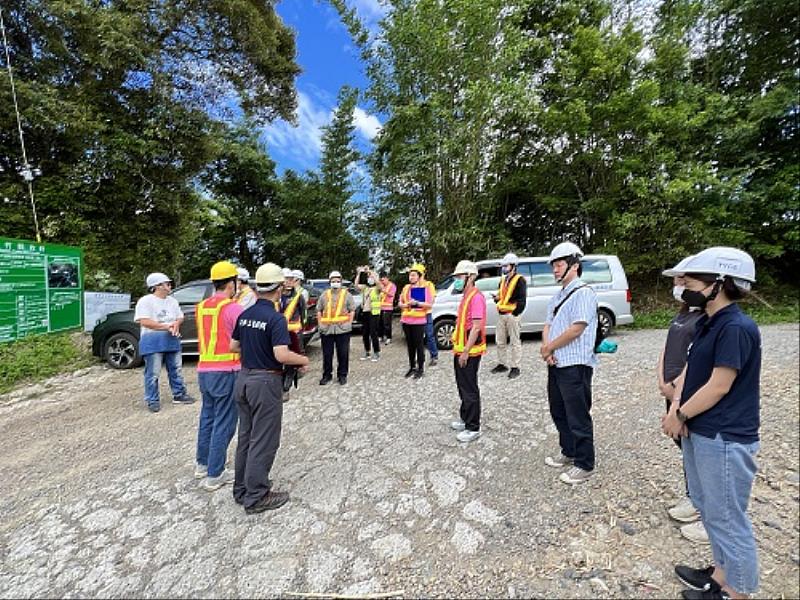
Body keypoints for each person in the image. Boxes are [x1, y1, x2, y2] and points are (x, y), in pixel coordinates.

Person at [660, 247, 761, 600]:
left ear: (720, 283)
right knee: (708, 507)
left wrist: (683, 414)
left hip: (725, 436)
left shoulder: (736, 327)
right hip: (701, 430)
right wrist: (675, 407)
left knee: (728, 518)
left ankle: (738, 591)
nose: (684, 285)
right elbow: (690, 373)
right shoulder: (706, 322)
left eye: (691, 280)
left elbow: (720, 384)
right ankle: (720, 574)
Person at [229, 263, 309, 514]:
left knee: (246, 437)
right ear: (279, 288)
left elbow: (233, 346)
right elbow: (282, 354)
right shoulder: (275, 319)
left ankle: (241, 489)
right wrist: (303, 360)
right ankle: (257, 496)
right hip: (264, 384)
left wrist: (255, 350)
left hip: (243, 380)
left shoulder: (245, 314)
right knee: (264, 439)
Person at [657, 255, 709, 544]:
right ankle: (694, 498)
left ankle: (707, 513)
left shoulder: (706, 318)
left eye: (682, 279)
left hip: (688, 395)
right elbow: (667, 349)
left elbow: (697, 360)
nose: (677, 285)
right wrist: (662, 382)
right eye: (677, 280)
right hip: (672, 392)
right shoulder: (683, 312)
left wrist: (676, 388)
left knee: (701, 451)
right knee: (686, 448)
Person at [540, 242, 598, 485]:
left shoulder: (583, 292)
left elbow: (577, 328)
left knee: (577, 414)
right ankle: (569, 450)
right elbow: (548, 324)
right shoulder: (558, 295)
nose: (555, 270)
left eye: (559, 265)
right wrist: (547, 349)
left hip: (575, 363)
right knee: (559, 410)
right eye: (553, 265)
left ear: (574, 266)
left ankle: (585, 463)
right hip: (556, 362)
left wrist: (550, 346)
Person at [194, 261, 244, 491]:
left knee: (208, 418)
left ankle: (202, 465)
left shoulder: (202, 306)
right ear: (231, 283)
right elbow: (243, 339)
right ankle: (215, 474)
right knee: (224, 422)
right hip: (226, 371)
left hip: (204, 370)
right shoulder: (233, 308)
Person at [134, 272, 195, 412]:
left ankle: (179, 394)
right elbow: (144, 321)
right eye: (167, 283)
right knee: (153, 372)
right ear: (157, 286)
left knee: (176, 369)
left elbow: (180, 316)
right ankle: (152, 400)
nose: (169, 286)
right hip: (152, 340)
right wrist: (166, 326)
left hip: (172, 339)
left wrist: (176, 324)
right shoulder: (145, 301)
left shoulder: (172, 301)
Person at [448, 261, 487, 443]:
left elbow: (477, 326)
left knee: (469, 388)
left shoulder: (476, 297)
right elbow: (463, 324)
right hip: (461, 350)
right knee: (462, 386)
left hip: (470, 352)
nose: (456, 280)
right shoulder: (466, 295)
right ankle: (465, 418)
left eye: (459, 277)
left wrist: (465, 351)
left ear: (470, 277)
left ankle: (473, 426)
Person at [491, 252, 527, 379]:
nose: (504, 268)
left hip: (512, 315)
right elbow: (503, 296)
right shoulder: (503, 280)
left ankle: (515, 367)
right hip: (502, 314)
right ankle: (502, 364)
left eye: (506, 266)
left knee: (515, 341)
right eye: (503, 266)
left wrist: (515, 313)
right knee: (500, 341)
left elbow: (522, 300)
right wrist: (497, 298)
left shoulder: (520, 280)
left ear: (513, 266)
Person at [316, 270, 355, 385]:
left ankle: (342, 375)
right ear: (330, 282)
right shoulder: (324, 295)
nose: (335, 283)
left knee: (343, 353)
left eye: (338, 281)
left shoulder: (347, 295)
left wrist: (349, 323)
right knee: (327, 354)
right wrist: (320, 324)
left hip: (342, 329)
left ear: (341, 282)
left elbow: (352, 310)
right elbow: (319, 310)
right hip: (327, 330)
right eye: (333, 281)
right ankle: (327, 375)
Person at [398, 263, 433, 378]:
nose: (411, 277)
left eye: (413, 275)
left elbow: (429, 304)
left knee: (419, 345)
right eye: (410, 275)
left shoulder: (425, 288)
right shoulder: (406, 288)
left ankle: (421, 368)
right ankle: (412, 366)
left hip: (418, 321)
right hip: (406, 321)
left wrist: (417, 303)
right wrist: (405, 304)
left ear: (419, 276)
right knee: (410, 345)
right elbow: (399, 303)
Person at [356, 266, 382, 362]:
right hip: (365, 312)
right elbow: (356, 285)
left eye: (371, 277)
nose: (369, 278)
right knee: (365, 333)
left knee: (373, 333)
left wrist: (371, 272)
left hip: (374, 313)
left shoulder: (377, 288)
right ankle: (367, 351)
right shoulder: (365, 288)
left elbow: (379, 283)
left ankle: (376, 352)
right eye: (368, 277)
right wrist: (359, 273)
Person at [421, 270, 439, 366]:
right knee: (418, 338)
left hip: (426, 313)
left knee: (429, 335)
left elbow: (432, 299)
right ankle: (420, 357)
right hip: (416, 315)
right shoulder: (412, 286)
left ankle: (434, 356)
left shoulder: (429, 284)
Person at [378, 272, 396, 345]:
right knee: (380, 323)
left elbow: (392, 294)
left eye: (383, 280)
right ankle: (380, 336)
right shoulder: (382, 285)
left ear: (387, 278)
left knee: (387, 324)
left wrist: (383, 290)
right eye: (381, 280)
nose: (382, 282)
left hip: (388, 308)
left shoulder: (392, 286)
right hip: (380, 307)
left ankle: (389, 337)